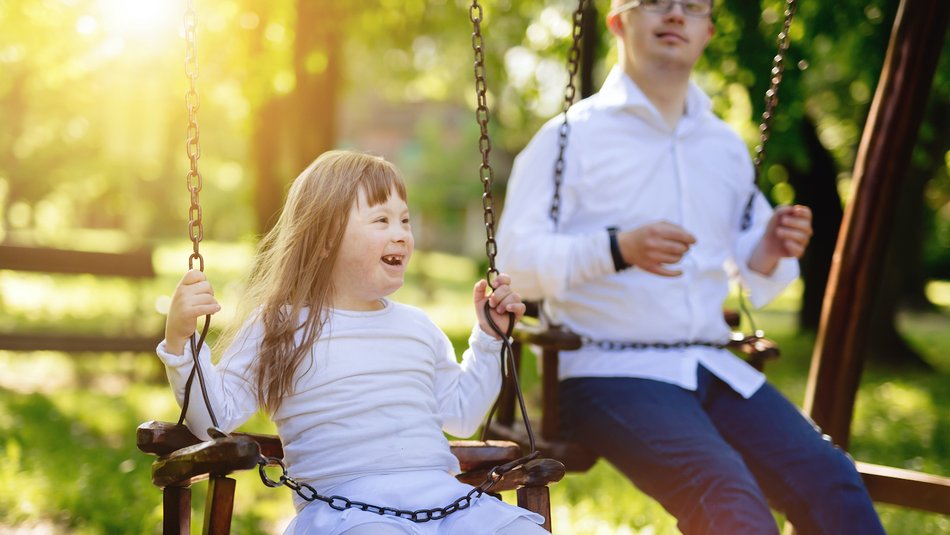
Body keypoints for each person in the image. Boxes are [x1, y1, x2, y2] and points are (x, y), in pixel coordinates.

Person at [496, 1, 885, 533]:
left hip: (710, 363)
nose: (676, 14)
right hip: (608, 369)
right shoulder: (568, 138)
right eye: (656, 2)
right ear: (617, 21)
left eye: (692, 6)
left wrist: (768, 247)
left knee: (832, 479)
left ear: (708, 32)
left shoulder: (723, 145)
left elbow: (747, 261)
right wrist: (617, 249)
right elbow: (514, 264)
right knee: (729, 500)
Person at [158, 151, 547, 535]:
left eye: (405, 220)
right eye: (381, 219)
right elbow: (213, 418)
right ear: (326, 238)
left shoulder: (417, 327)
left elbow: (463, 414)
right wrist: (181, 341)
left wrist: (491, 338)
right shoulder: (279, 325)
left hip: (448, 507)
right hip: (349, 515)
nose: (400, 233)